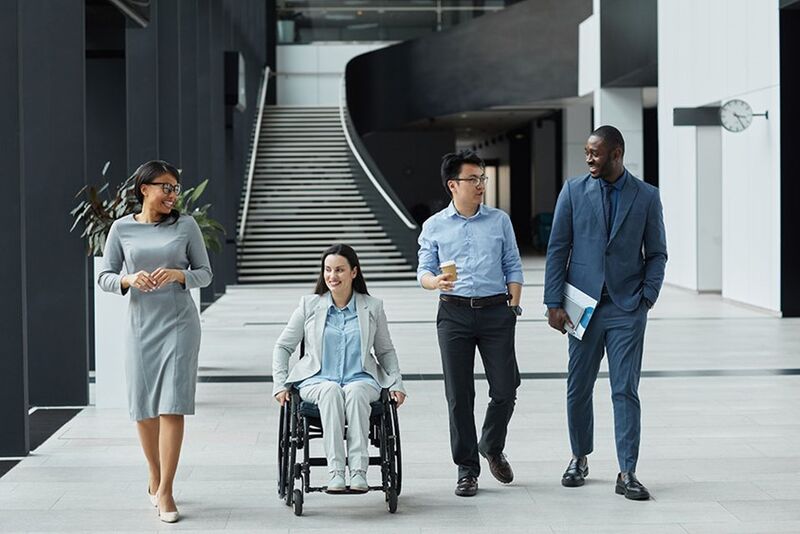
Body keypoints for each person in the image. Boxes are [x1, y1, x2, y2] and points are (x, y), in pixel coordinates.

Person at [544, 125, 667, 500]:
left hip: (627, 308)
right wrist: (553, 303)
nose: (588, 159)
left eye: (595, 153)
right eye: (586, 152)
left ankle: (627, 471)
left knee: (624, 390)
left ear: (617, 153)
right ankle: (579, 458)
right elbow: (557, 248)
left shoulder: (646, 196)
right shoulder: (573, 191)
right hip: (582, 309)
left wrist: (647, 296)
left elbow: (657, 252)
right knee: (578, 387)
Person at [97, 160, 213, 523]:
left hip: (179, 325)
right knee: (144, 408)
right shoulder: (120, 229)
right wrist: (129, 281)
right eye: (166, 187)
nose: (172, 194)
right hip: (140, 325)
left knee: (171, 405)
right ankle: (154, 474)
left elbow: (205, 274)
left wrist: (180, 274)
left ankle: (166, 490)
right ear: (144, 189)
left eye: (176, 188)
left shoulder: (187, 225)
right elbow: (104, 276)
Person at [417, 149, 524, 497]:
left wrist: (513, 309)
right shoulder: (434, 226)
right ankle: (467, 469)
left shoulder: (499, 220)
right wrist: (434, 282)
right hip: (454, 313)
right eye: (473, 179)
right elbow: (423, 270)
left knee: (506, 388)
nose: (480, 185)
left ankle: (491, 445)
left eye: (483, 178)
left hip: (496, 311)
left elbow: (514, 265)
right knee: (459, 395)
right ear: (453, 185)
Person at [272, 244, 406, 493]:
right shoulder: (309, 305)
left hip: (362, 378)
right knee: (331, 390)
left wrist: (396, 383)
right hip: (317, 380)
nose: (332, 276)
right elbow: (283, 347)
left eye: (340, 270)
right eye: (328, 270)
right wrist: (280, 384)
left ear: (354, 272)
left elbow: (385, 351)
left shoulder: (372, 307)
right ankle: (336, 472)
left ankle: (358, 472)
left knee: (355, 392)